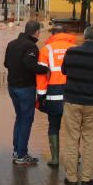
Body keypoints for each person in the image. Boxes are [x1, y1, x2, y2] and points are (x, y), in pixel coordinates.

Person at [60, 26, 93, 185]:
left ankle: (72, 178)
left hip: (72, 101)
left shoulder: (72, 52)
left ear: (84, 36)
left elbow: (64, 71)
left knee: (71, 140)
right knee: (90, 141)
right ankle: (87, 179)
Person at [4, 20, 49, 165]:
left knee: (20, 118)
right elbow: (30, 65)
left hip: (12, 87)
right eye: (39, 32)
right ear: (36, 32)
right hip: (25, 88)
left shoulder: (11, 44)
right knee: (26, 121)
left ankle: (17, 150)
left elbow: (6, 63)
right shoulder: (31, 46)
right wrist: (46, 69)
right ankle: (21, 154)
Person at [36, 24, 75, 168]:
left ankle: (55, 159)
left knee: (53, 125)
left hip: (53, 93)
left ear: (52, 34)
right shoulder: (74, 48)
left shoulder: (46, 49)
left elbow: (41, 76)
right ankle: (75, 157)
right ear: (65, 33)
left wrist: (41, 96)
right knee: (73, 127)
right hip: (72, 93)